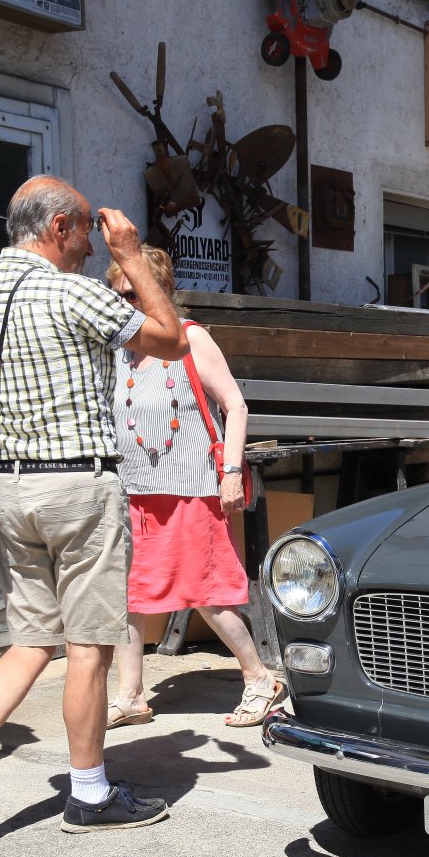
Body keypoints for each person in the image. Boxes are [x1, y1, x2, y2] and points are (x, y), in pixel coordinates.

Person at [0, 175, 188, 838]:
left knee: (29, 640)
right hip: (78, 486)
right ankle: (90, 793)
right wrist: (131, 256)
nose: (91, 246)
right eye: (85, 232)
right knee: (88, 647)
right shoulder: (74, 292)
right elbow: (170, 338)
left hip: (14, 490)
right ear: (59, 228)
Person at [105, 246, 284, 730]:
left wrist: (231, 472)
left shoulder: (190, 338)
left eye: (133, 293)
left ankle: (260, 679)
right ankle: (131, 695)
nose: (124, 302)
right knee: (126, 594)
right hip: (133, 491)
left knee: (206, 591)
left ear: (161, 291)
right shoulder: (120, 348)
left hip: (190, 487)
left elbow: (235, 405)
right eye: (117, 293)